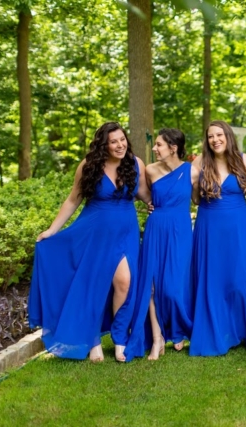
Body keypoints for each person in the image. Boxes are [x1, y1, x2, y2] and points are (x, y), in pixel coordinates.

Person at [28, 121, 149, 362]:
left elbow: (144, 193)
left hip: (126, 232)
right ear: (103, 145)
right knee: (94, 284)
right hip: (94, 233)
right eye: (113, 141)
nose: (119, 145)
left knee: (124, 282)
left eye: (122, 140)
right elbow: (73, 200)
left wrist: (158, 205)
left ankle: (119, 338)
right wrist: (52, 230)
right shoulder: (89, 166)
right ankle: (92, 338)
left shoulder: (136, 164)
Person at [123, 128, 195, 362]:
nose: (154, 149)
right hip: (156, 228)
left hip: (181, 229)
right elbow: (138, 192)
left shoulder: (192, 171)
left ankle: (179, 328)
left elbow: (202, 197)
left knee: (173, 286)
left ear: (173, 148)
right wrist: (149, 204)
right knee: (151, 286)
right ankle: (157, 338)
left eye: (159, 145)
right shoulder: (150, 170)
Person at [189, 120, 246, 356]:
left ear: (228, 136)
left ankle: (241, 329)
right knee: (213, 278)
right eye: (210, 136)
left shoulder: (244, 160)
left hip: (238, 225)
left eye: (219, 135)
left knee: (240, 278)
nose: (215, 139)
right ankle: (215, 330)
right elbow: (194, 198)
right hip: (209, 225)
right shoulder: (200, 162)